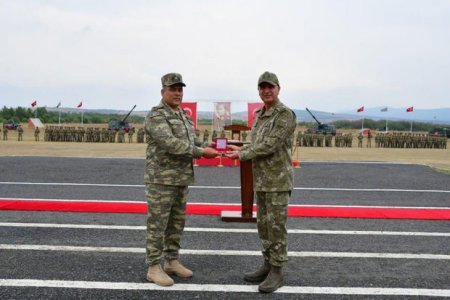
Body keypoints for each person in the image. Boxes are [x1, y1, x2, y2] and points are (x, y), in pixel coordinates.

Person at [144, 73, 218, 287]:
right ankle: (153, 267)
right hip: (161, 180)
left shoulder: (183, 116)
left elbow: (192, 140)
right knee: (158, 224)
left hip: (181, 179)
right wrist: (201, 152)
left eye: (180, 89)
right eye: (172, 89)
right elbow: (171, 144)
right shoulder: (156, 116)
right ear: (162, 92)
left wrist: (212, 146)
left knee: (176, 223)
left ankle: (171, 261)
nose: (177, 93)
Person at [225, 71, 296, 293]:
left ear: (278, 88)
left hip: (277, 181)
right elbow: (258, 142)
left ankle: (277, 270)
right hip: (262, 180)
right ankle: (267, 264)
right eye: (262, 87)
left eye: (270, 87)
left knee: (276, 227)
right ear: (259, 90)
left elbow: (270, 145)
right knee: (264, 226)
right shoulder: (260, 114)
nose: (266, 90)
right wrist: (243, 148)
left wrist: (242, 154)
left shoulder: (284, 115)